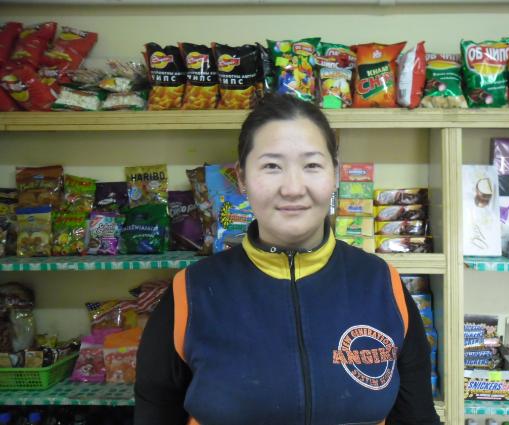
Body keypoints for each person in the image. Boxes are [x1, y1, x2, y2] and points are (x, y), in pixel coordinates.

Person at [134, 94, 440, 425]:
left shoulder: (382, 284)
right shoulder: (190, 292)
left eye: (312, 165)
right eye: (272, 166)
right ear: (241, 178)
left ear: (335, 174)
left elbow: (418, 418)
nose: (293, 188)